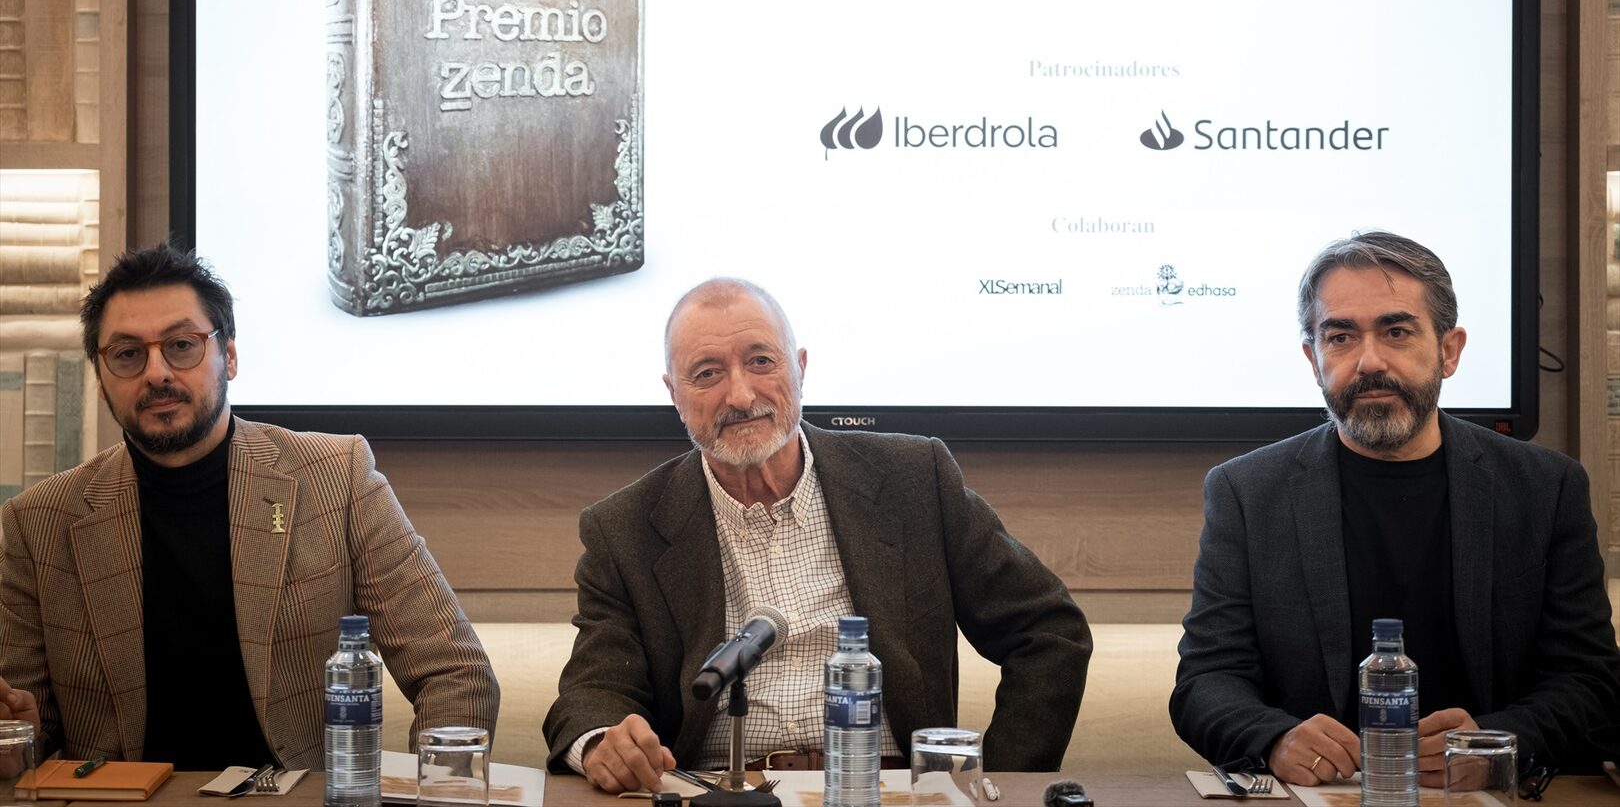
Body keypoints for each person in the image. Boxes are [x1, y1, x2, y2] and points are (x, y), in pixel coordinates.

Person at [542, 278, 1091, 793]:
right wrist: (602, 743)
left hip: (886, 792)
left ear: (800, 368)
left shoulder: (913, 480)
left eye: (761, 361)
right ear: (673, 393)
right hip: (720, 792)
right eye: (707, 373)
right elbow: (593, 690)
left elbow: (1048, 631)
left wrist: (1001, 780)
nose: (740, 395)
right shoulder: (625, 528)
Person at [0, 243, 499, 769]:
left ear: (230, 356)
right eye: (128, 354)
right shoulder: (38, 523)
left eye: (182, 345)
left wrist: (442, 787)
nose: (157, 372)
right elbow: (26, 730)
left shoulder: (337, 477)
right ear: (101, 381)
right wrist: (15, 740)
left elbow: (454, 673)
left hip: (298, 799)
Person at [1171, 231, 1620, 786]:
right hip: (1322, 794)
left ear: (1449, 351)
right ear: (1314, 359)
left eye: (1397, 332)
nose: (1369, 361)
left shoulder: (1545, 488)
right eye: (1340, 337)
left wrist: (1497, 744)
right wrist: (1273, 738)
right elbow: (1207, 680)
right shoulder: (1245, 491)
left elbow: (1589, 679)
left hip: (1491, 796)